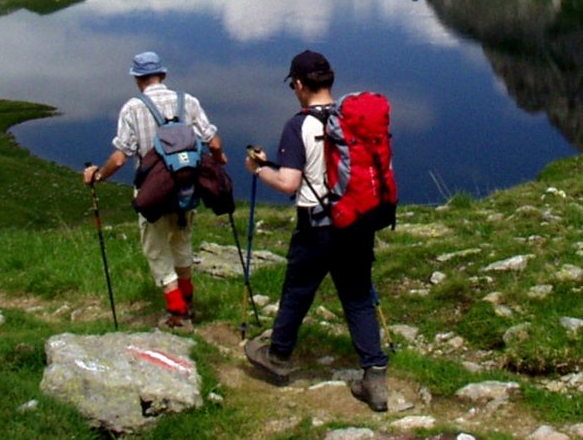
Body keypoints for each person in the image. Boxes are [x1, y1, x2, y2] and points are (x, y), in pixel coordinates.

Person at [243, 49, 389, 412]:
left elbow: (291, 182)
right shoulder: (353, 119)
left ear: (298, 84)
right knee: (357, 296)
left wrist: (258, 170)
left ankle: (278, 357)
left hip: (317, 227)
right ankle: (375, 377)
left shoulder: (299, 125)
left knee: (297, 290)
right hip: (355, 222)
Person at [83, 50, 226, 329]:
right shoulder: (189, 101)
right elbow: (214, 142)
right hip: (187, 191)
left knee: (156, 250)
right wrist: (220, 161)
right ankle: (189, 304)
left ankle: (177, 313)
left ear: (138, 79)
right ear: (163, 75)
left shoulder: (133, 108)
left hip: (153, 193)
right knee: (182, 244)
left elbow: (120, 156)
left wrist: (99, 175)